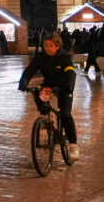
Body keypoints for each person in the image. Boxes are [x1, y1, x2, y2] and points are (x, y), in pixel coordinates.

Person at [19, 33, 79, 162]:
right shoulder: (41, 58)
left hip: (64, 86)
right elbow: (30, 70)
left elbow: (70, 73)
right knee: (37, 91)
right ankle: (46, 119)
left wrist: (68, 86)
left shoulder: (64, 58)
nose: (47, 48)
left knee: (65, 114)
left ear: (57, 46)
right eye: (45, 45)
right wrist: (23, 82)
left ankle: (74, 146)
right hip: (49, 84)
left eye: (50, 45)